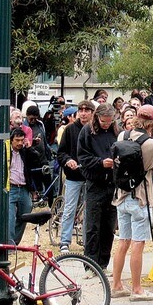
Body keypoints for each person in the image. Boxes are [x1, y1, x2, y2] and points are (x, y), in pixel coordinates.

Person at [111, 105, 153, 302]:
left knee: (123, 241)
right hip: (141, 197)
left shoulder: (122, 136)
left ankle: (116, 285)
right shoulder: (152, 144)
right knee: (138, 244)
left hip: (121, 195)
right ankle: (137, 289)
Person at [77, 103, 119, 274]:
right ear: (96, 117)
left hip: (113, 183)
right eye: (103, 121)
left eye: (109, 121)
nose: (106, 124)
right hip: (95, 183)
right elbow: (83, 158)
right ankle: (90, 265)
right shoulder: (87, 132)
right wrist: (100, 163)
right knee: (93, 226)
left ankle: (103, 263)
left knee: (109, 226)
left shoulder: (115, 131)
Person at [56, 100, 95, 253]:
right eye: (81, 110)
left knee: (89, 210)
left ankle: (87, 241)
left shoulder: (95, 129)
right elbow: (61, 152)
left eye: (87, 110)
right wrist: (68, 160)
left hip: (90, 175)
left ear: (92, 113)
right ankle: (65, 241)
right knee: (69, 208)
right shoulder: (70, 129)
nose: (83, 113)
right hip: (73, 176)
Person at [5, 128, 38, 244]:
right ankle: (9, 244)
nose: (19, 143)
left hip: (24, 188)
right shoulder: (6, 152)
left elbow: (37, 158)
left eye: (21, 140)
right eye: (17, 140)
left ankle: (14, 242)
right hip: (11, 187)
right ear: (11, 140)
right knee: (9, 217)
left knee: (24, 215)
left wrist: (29, 147)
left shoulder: (25, 152)